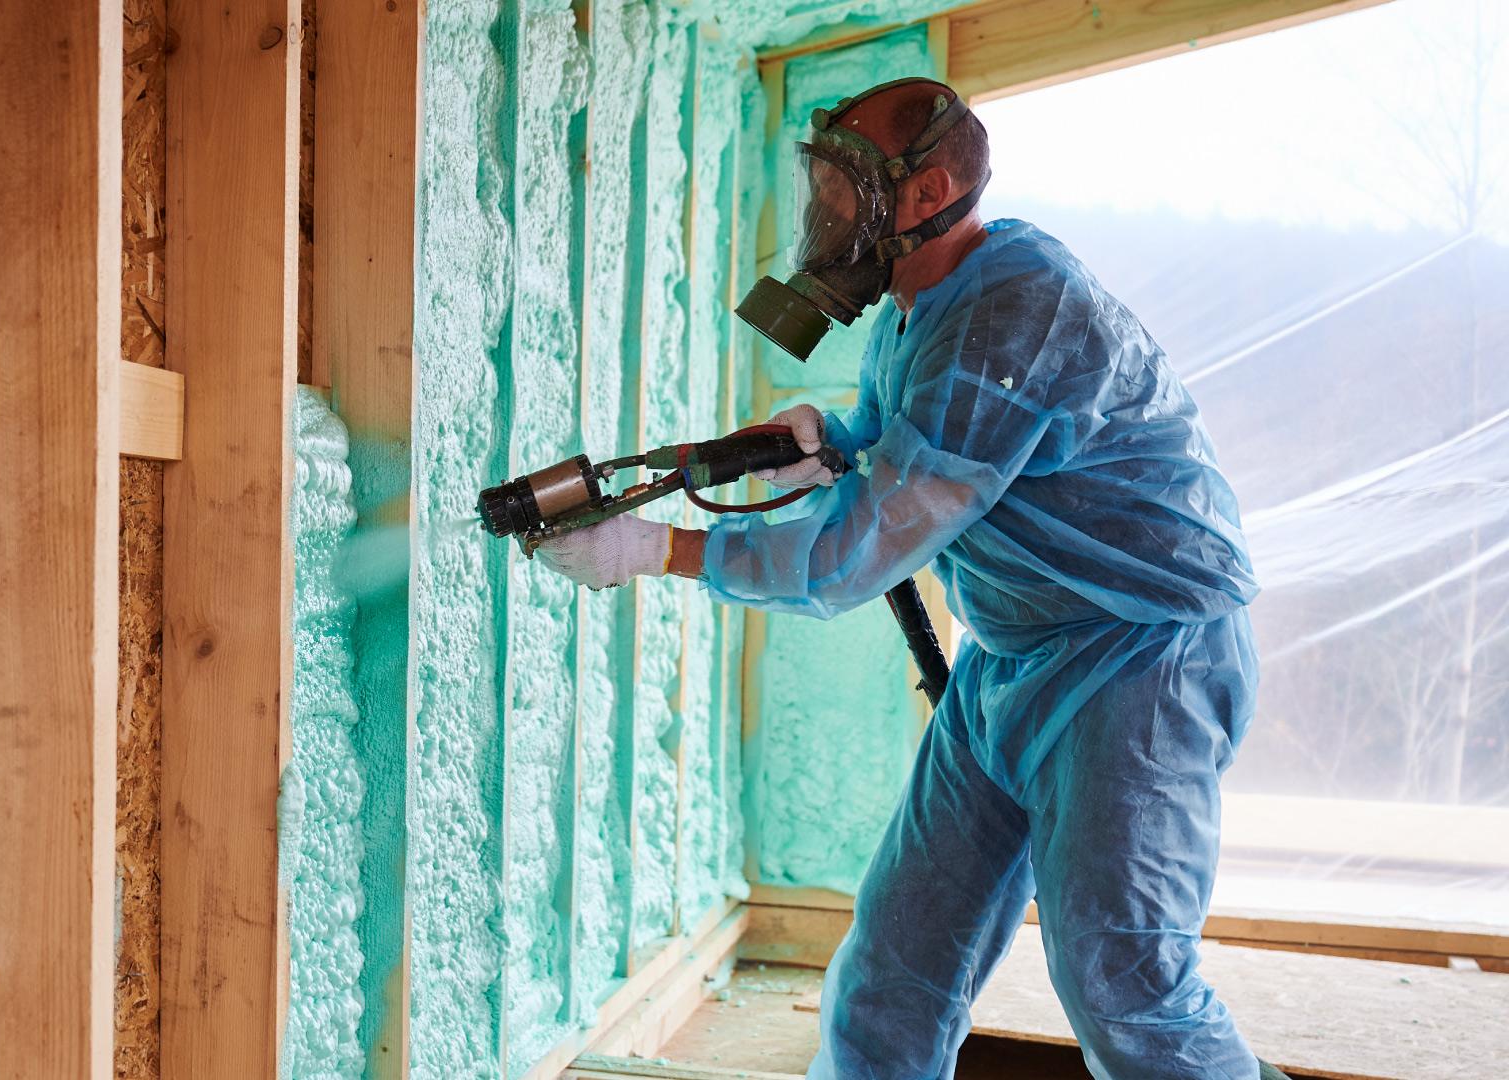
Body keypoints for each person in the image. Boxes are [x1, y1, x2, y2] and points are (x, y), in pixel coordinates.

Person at [532, 78, 1287, 1080]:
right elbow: (907, 448)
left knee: (1123, 980)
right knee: (896, 964)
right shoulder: (915, 310)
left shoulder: (1013, 309)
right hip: (1013, 659)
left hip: (1141, 662)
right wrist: (821, 441)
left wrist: (659, 550)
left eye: (845, 186)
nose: (824, 211)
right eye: (823, 183)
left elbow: (860, 553)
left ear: (926, 192)